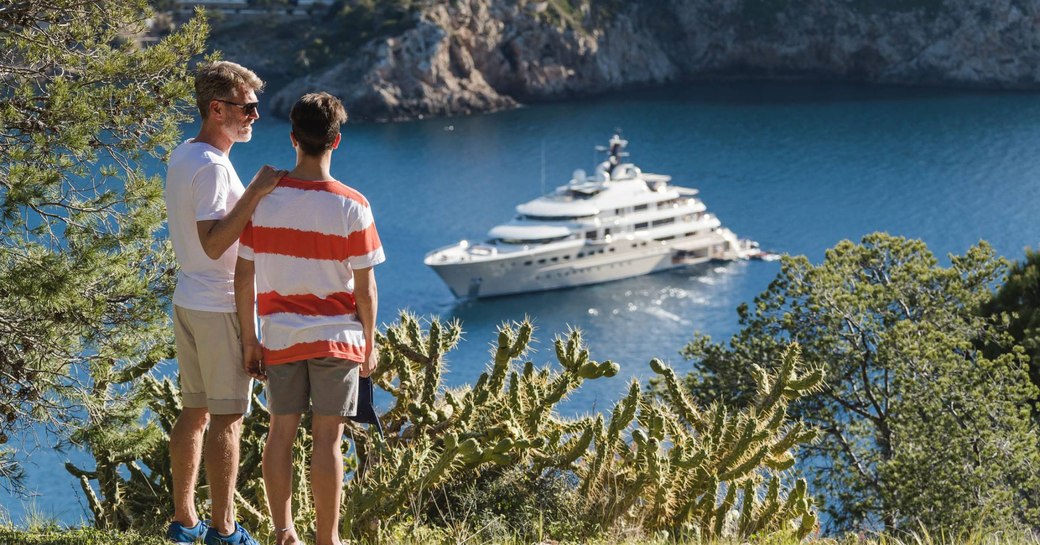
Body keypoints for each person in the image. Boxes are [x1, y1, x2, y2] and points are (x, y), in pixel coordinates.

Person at [234, 92, 384, 545]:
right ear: (337, 141)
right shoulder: (353, 205)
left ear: (293, 138)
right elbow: (366, 288)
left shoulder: (262, 200)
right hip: (337, 339)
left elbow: (243, 277)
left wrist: (250, 340)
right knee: (328, 441)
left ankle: (284, 533)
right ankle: (328, 539)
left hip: (279, 337)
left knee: (280, 434)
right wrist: (369, 344)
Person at [164, 60, 286, 545]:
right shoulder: (213, 168)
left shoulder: (185, 153)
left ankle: (184, 522)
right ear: (217, 109)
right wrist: (255, 192)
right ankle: (224, 530)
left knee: (192, 412)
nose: (255, 116)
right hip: (218, 306)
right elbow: (215, 242)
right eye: (247, 107)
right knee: (228, 418)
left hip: (189, 298)